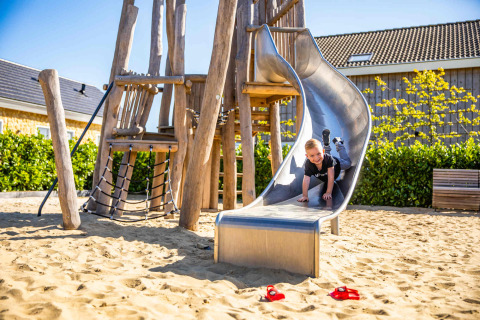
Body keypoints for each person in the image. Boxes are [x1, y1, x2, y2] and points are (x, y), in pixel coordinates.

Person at [297, 129, 351, 202]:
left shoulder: (329, 159)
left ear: (322, 151)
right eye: (312, 156)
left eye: (318, 153)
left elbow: (331, 177)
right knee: (322, 158)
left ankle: (339, 143)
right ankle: (326, 145)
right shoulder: (308, 164)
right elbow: (306, 179)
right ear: (307, 156)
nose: (316, 158)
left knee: (348, 164)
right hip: (325, 162)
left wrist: (328, 192)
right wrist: (305, 196)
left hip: (336, 165)